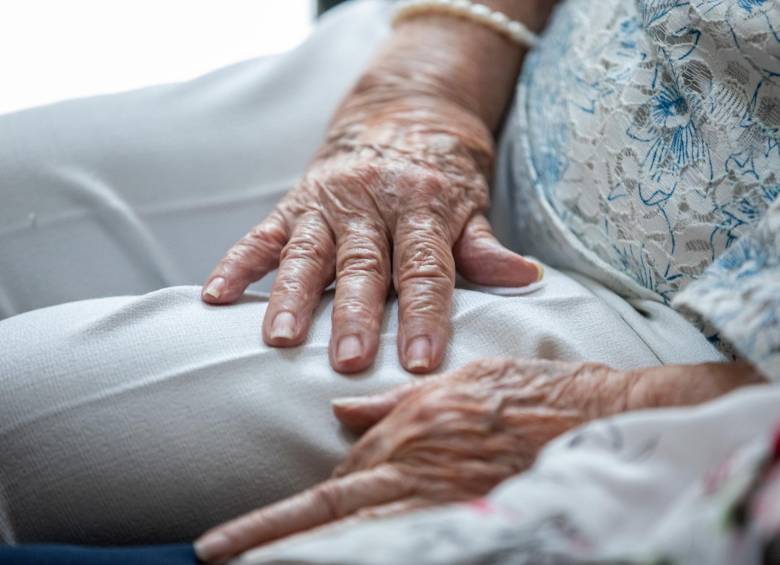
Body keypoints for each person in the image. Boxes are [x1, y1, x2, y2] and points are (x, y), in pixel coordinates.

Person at [0, 0, 777, 563]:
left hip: (690, 337)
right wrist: (428, 76)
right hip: (519, 51)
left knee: (19, 412)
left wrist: (642, 404)